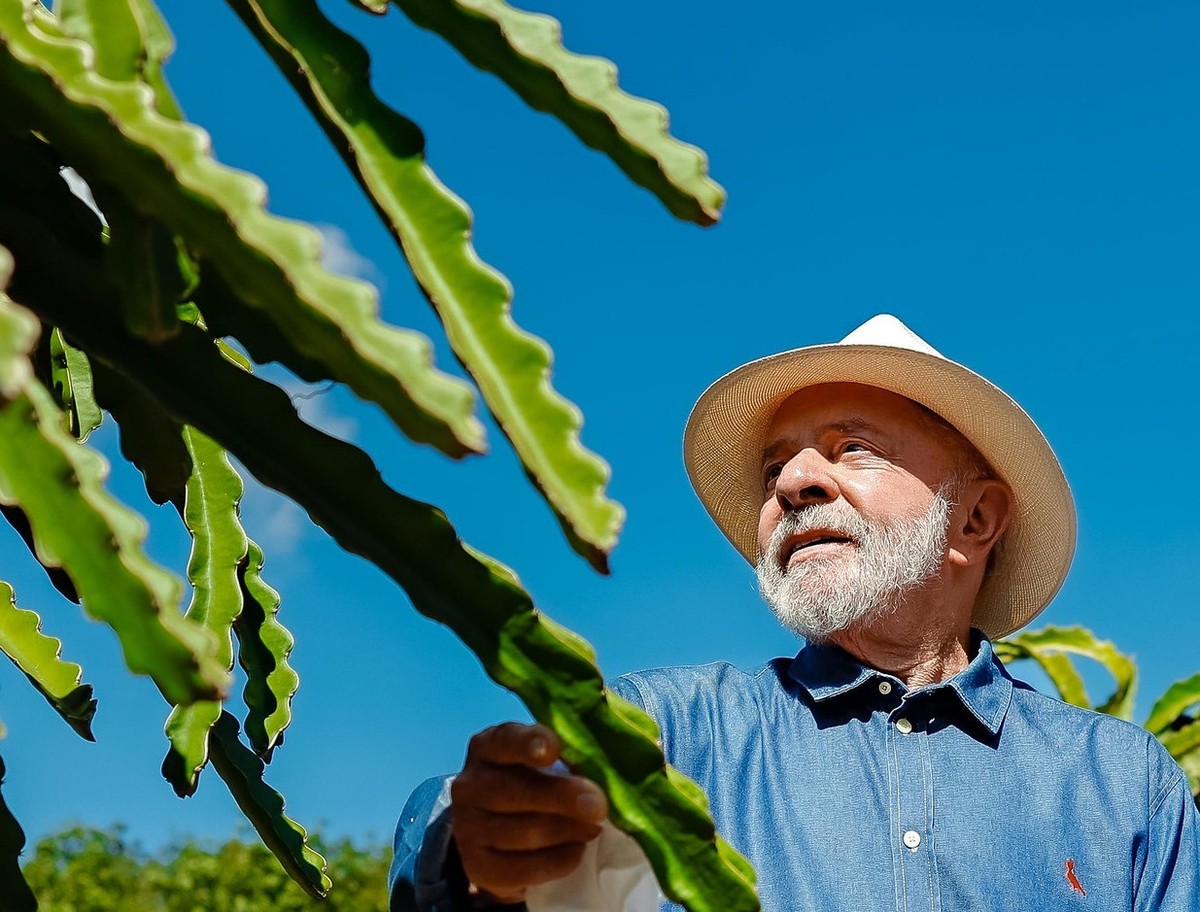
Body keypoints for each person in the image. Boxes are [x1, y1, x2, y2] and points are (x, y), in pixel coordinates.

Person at [390, 315, 1200, 911]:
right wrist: (476, 857)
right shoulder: (666, 728)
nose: (793, 482)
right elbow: (471, 847)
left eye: (853, 448)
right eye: (778, 464)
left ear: (976, 520)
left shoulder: (1124, 787)